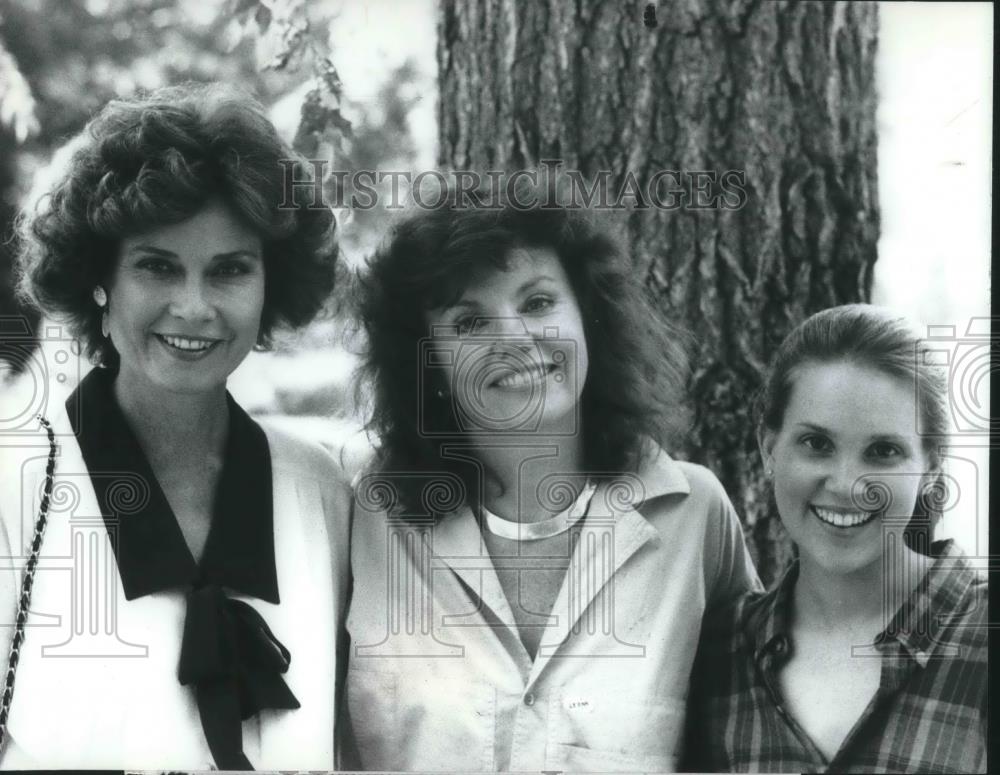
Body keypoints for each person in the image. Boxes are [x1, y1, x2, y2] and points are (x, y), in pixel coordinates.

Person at [341, 182, 762, 772]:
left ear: (590, 315)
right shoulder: (365, 517)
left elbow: (752, 738)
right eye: (468, 323)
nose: (513, 339)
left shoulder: (693, 516)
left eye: (537, 303)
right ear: (427, 358)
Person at [0, 83, 350, 770]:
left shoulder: (322, 493)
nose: (193, 307)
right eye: (158, 266)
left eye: (229, 271)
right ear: (100, 278)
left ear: (268, 286)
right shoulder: (14, 482)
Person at [683, 304, 987, 773]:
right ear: (769, 449)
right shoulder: (716, 654)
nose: (847, 485)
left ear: (930, 468)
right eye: (817, 444)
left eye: (883, 451)